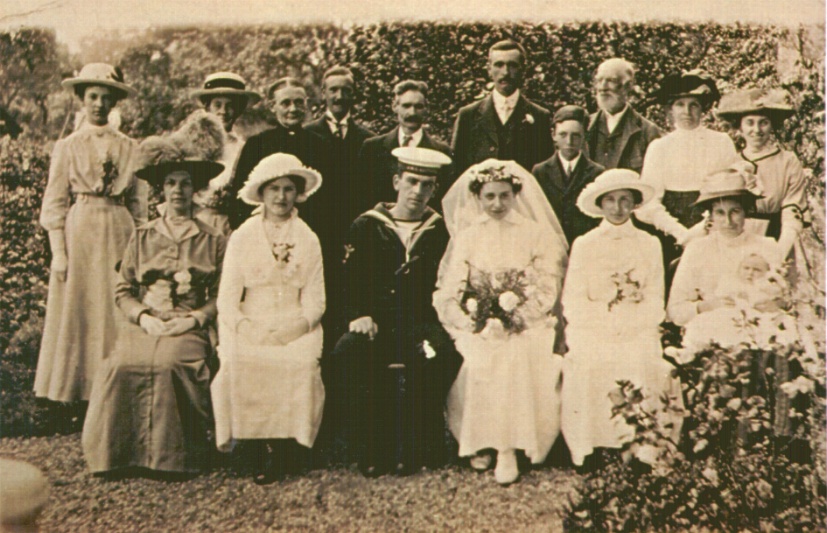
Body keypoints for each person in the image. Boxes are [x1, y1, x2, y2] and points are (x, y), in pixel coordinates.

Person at [82, 121, 227, 476]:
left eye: (186, 182)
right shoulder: (143, 235)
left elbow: (223, 292)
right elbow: (123, 289)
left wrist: (195, 319)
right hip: (148, 323)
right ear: (161, 189)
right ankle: (117, 457)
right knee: (118, 365)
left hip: (188, 326)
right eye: (171, 183)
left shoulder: (213, 238)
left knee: (170, 364)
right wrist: (142, 316)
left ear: (197, 188)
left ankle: (172, 459)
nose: (179, 190)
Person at [330, 147, 462, 477]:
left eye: (427, 185)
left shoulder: (440, 230)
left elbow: (449, 282)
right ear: (396, 182)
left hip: (421, 324)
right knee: (351, 350)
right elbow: (347, 281)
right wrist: (358, 313)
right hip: (377, 323)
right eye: (412, 182)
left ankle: (418, 445)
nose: (418, 192)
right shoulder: (366, 225)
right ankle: (372, 446)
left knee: (439, 353)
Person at [434, 159, 567, 485]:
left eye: (504, 196)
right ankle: (480, 442)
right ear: (478, 197)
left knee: (515, 356)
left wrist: (515, 318)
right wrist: (473, 322)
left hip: (526, 323)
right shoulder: (467, 236)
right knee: (480, 356)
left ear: (515, 195)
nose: (497, 204)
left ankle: (509, 448)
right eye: (489, 196)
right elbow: (450, 290)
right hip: (479, 323)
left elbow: (547, 286)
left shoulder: (534, 234)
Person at [35, 63, 147, 410]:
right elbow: (54, 202)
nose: (99, 103)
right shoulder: (68, 146)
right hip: (81, 228)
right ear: (82, 100)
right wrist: (59, 253)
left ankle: (118, 389)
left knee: (115, 305)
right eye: (92, 96)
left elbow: (139, 204)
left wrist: (141, 246)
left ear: (115, 102)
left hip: (118, 226)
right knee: (82, 308)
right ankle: (77, 394)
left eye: (106, 97)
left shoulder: (131, 146)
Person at [211, 153, 325, 484]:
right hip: (251, 319)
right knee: (241, 359)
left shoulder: (308, 237)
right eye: (273, 188)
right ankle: (253, 445)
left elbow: (316, 299)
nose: (281, 197)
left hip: (295, 320)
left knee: (299, 363)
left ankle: (288, 445)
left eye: (289, 189)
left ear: (298, 193)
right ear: (261, 192)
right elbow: (227, 300)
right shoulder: (242, 236)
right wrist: (247, 328)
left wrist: (296, 327)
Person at [561, 169, 682, 469]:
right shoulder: (585, 243)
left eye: (625, 200)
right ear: (600, 204)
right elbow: (573, 299)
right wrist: (603, 321)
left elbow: (656, 297)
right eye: (611, 200)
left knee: (641, 361)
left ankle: (642, 445)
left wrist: (632, 322)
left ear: (635, 204)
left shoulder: (650, 243)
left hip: (637, 326)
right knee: (591, 361)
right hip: (593, 326)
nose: (617, 208)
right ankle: (593, 446)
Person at [636, 70, 738, 264]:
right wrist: (681, 234)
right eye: (680, 105)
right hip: (670, 235)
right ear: (670, 110)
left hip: (714, 229)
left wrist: (705, 227)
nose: (687, 112)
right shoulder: (659, 147)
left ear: (703, 109)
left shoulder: (721, 142)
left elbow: (730, 193)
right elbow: (648, 203)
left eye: (694, 105)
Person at [716, 88, 808, 260]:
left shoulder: (787, 161)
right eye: (750, 122)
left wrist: (780, 252)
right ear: (740, 127)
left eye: (763, 122)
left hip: (776, 234)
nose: (756, 130)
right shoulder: (730, 162)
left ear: (772, 125)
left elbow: (793, 209)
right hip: (737, 235)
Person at [226, 77, 328, 229]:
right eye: (286, 103)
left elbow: (329, 197)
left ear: (306, 104)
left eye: (299, 102)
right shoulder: (257, 144)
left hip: (309, 230)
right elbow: (240, 196)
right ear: (273, 106)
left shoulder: (320, 145)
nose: (293, 109)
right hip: (264, 232)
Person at [451, 40, 553, 179]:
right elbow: (456, 170)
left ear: (523, 70)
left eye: (513, 66)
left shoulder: (540, 117)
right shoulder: (468, 115)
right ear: (489, 69)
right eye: (499, 65)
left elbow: (544, 173)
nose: (505, 72)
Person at [358, 80, 451, 210]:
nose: (412, 113)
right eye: (406, 106)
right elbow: (361, 198)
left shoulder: (441, 152)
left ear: (427, 109)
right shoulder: (372, 148)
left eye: (418, 107)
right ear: (395, 106)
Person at [189, 71, 262, 234]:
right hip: (196, 220)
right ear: (207, 107)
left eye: (230, 105)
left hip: (230, 223)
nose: (224, 111)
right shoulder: (191, 143)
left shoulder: (244, 148)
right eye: (217, 105)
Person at [304, 65, 376, 230]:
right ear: (324, 93)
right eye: (333, 90)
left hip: (354, 228)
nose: (339, 97)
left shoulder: (369, 139)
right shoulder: (306, 134)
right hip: (315, 226)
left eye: (346, 90)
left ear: (353, 94)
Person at [532, 104, 605, 244]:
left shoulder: (597, 173)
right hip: (550, 245)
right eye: (563, 135)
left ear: (585, 136)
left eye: (576, 135)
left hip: (586, 246)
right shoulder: (540, 172)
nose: (569, 142)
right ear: (553, 135)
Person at [586, 58, 660, 173]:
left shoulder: (649, 133)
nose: (603, 87)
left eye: (611, 80)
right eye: (599, 80)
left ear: (628, 86)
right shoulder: (585, 126)